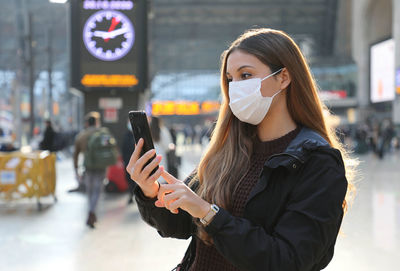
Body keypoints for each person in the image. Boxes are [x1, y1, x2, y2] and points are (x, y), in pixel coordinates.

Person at [126, 28, 356, 271]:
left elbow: (288, 260)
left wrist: (209, 213)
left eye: (246, 75)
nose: (235, 87)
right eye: (230, 79)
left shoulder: (317, 162)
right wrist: (151, 192)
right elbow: (181, 225)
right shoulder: (227, 149)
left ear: (283, 77)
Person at [72, 112, 106, 228]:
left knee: (90, 191)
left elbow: (75, 154)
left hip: (88, 167)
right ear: (96, 122)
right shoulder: (102, 133)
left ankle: (91, 211)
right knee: (97, 190)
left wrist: (76, 169)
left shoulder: (81, 136)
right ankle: (92, 212)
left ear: (87, 123)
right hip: (101, 167)